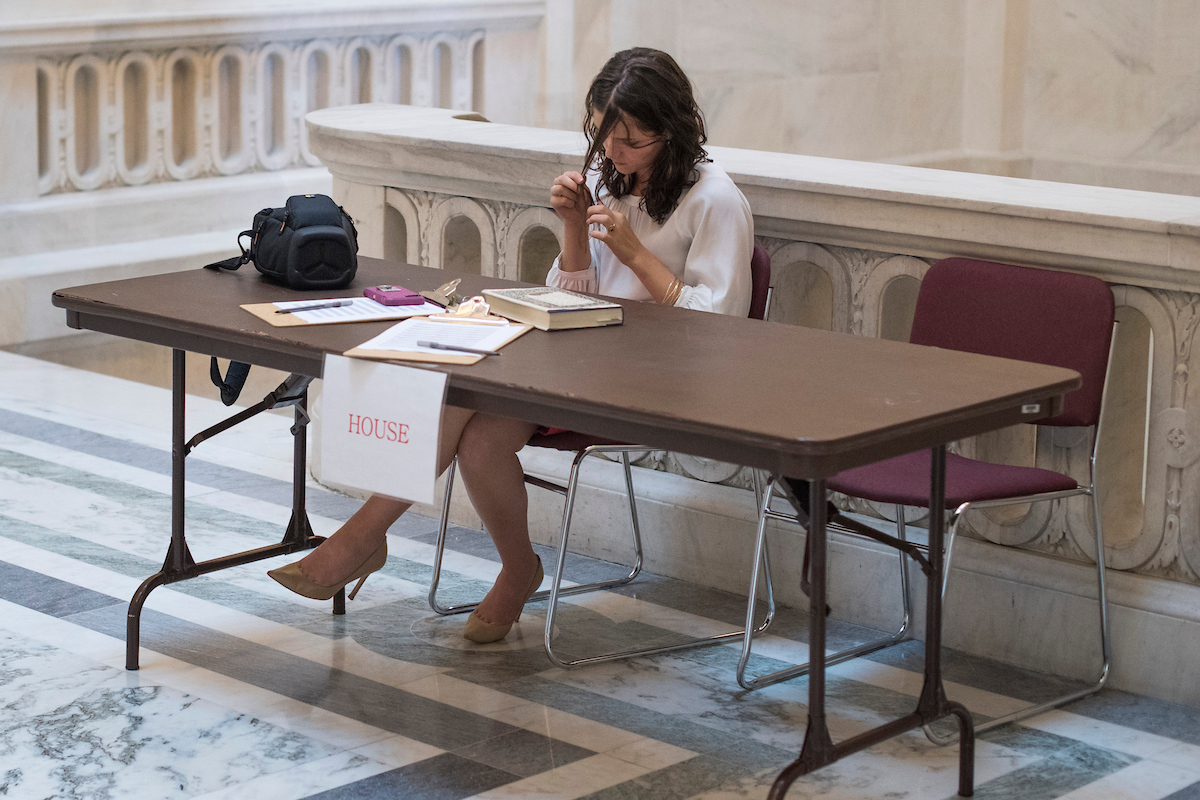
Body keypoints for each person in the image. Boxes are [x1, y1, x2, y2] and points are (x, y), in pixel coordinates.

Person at [267, 47, 753, 643]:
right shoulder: (611, 179)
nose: (612, 154)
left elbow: (722, 329)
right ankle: (516, 569)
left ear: (672, 131)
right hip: (591, 360)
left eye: (631, 140)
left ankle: (361, 538)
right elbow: (571, 295)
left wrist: (636, 256)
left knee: (466, 392)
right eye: (603, 135)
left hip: (667, 379)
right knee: (474, 430)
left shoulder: (715, 200)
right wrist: (574, 228)